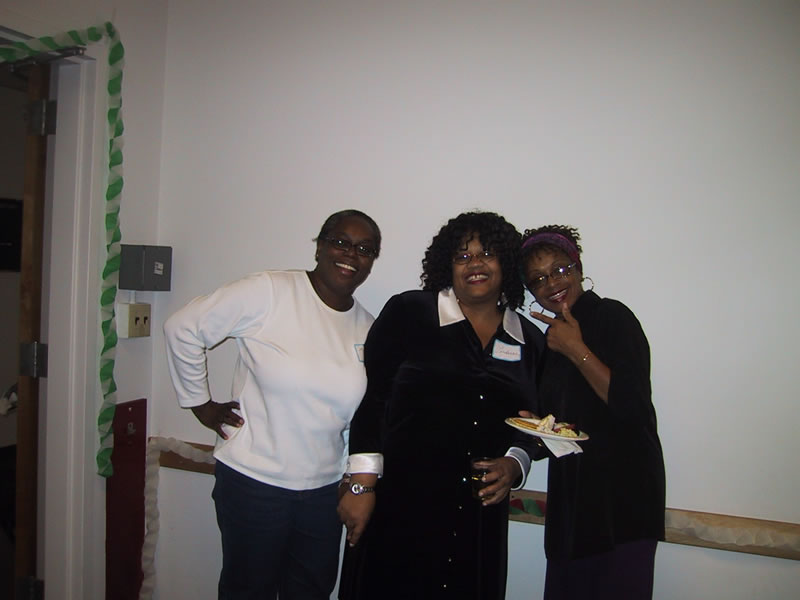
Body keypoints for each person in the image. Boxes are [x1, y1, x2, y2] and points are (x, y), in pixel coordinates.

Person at [163, 209, 381, 600]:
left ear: (371, 262)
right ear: (319, 246)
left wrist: (356, 481)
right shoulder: (270, 291)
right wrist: (200, 404)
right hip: (254, 485)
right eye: (341, 242)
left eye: (365, 249)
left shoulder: (368, 327)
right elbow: (183, 328)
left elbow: (363, 416)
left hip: (323, 494)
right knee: (248, 591)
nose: (351, 254)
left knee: (311, 592)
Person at [337, 211, 544, 600]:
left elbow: (535, 424)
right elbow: (375, 397)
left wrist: (515, 463)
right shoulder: (409, 312)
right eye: (462, 256)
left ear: (506, 263)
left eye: (487, 254)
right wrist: (361, 486)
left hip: (478, 517)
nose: (475, 264)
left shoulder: (529, 341)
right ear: (447, 266)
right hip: (400, 505)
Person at [519, 225, 666, 600]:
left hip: (623, 504)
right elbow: (563, 428)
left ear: (578, 267)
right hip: (573, 505)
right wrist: (535, 428)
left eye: (560, 269)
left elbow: (632, 408)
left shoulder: (612, 317)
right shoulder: (550, 340)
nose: (552, 283)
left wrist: (577, 349)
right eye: (538, 279)